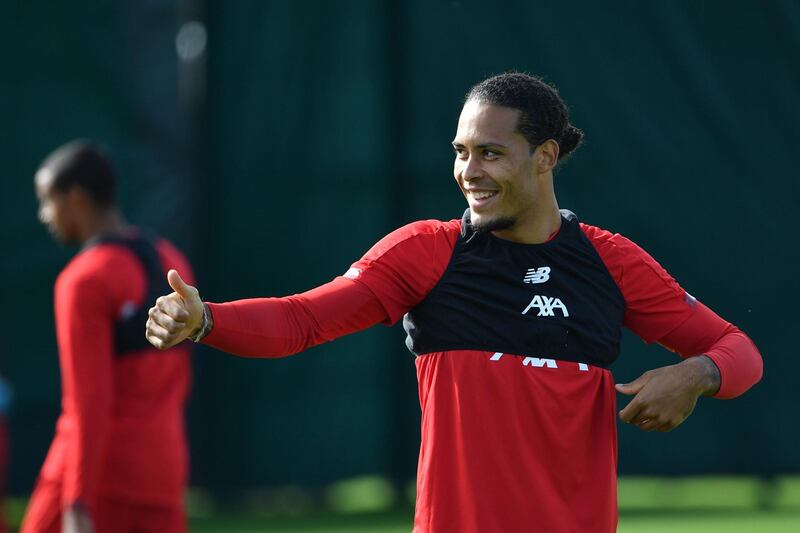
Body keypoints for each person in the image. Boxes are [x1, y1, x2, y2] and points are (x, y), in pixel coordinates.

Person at [145, 72, 763, 533]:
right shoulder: (426, 252)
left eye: (490, 152)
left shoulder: (611, 262)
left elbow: (739, 351)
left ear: (546, 156)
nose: (469, 170)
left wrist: (697, 373)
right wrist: (207, 321)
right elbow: (302, 320)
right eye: (461, 152)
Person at [23, 141, 194, 533]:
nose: (44, 216)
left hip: (97, 480)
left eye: (49, 202)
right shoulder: (174, 261)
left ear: (77, 200)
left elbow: (88, 401)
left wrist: (77, 500)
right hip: (162, 477)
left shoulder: (83, 280)